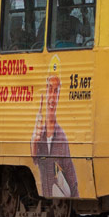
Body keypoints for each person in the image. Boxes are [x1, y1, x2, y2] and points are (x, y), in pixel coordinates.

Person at [31, 58, 78, 198]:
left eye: (56, 91)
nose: (52, 98)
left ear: (59, 95)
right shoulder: (38, 131)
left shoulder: (62, 138)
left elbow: (72, 181)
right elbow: (33, 159)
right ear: (45, 91)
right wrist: (34, 141)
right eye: (50, 89)